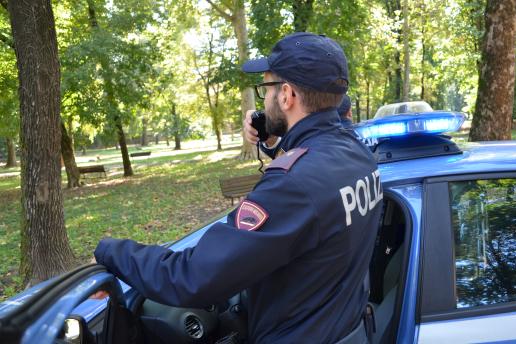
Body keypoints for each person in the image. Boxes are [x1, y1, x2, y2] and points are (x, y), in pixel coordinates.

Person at [93, 32, 383, 343]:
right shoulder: (359, 155)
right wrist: (272, 140)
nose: (264, 99)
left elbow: (191, 278)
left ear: (286, 95)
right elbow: (319, 162)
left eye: (267, 89)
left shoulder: (292, 186)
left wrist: (111, 250)